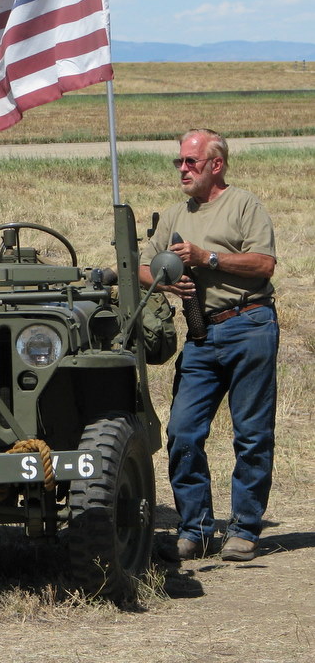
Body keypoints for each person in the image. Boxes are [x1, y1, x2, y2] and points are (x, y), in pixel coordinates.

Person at [140, 128, 278, 563]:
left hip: (249, 324)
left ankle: (244, 529)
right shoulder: (174, 215)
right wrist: (167, 282)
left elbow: (264, 264)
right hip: (200, 334)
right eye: (179, 162)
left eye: (191, 162)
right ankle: (196, 530)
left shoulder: (244, 205)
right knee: (182, 431)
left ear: (216, 165)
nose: (182, 169)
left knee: (251, 433)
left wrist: (207, 258)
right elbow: (142, 266)